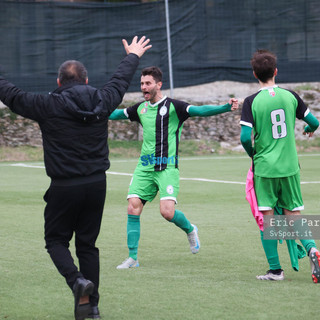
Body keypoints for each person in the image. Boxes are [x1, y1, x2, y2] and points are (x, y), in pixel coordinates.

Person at [0, 36, 151, 320]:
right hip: (96, 185)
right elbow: (119, 81)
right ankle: (91, 307)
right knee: (87, 245)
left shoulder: (47, 105)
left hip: (64, 186)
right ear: (86, 81)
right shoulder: (102, 100)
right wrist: (132, 56)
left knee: (56, 241)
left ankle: (76, 281)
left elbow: (12, 94)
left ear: (58, 83)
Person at [109, 66, 238, 269]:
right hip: (145, 167)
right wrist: (94, 111)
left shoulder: (173, 106)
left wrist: (224, 107)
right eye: (142, 83)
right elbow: (116, 114)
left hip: (167, 167)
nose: (144, 87)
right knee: (133, 207)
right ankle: (132, 258)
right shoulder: (140, 109)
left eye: (148, 83)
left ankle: (190, 229)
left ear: (158, 85)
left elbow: (198, 111)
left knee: (167, 212)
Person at [240, 49, 320, 282]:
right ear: (276, 72)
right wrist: (308, 129)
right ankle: (313, 250)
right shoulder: (291, 96)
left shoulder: (251, 101)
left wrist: (253, 154)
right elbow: (314, 121)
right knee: (294, 215)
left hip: (265, 168)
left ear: (255, 74)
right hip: (290, 167)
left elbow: (245, 138)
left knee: (268, 220)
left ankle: (275, 270)